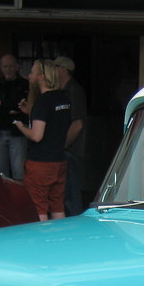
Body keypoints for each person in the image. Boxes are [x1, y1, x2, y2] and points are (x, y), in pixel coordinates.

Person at [14, 59, 71, 221]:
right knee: (57, 205)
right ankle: (58, 241)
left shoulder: (43, 101)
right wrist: (31, 112)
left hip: (40, 162)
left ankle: (42, 243)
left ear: (41, 77)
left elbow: (37, 136)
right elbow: (53, 121)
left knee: (38, 206)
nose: (29, 75)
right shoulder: (63, 99)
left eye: (32, 72)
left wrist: (20, 126)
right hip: (59, 159)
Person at [0, 54, 29, 180]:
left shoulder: (25, 85)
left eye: (11, 66)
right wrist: (10, 109)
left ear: (17, 67)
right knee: (0, 174)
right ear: (0, 68)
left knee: (20, 173)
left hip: (19, 132)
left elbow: (25, 108)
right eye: (5, 66)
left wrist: (2, 104)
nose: (8, 69)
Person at [52, 56, 87, 215]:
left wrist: (62, 146)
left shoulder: (74, 90)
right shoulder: (64, 90)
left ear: (63, 70)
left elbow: (77, 124)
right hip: (67, 150)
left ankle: (74, 227)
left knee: (71, 195)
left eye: (55, 67)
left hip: (71, 151)